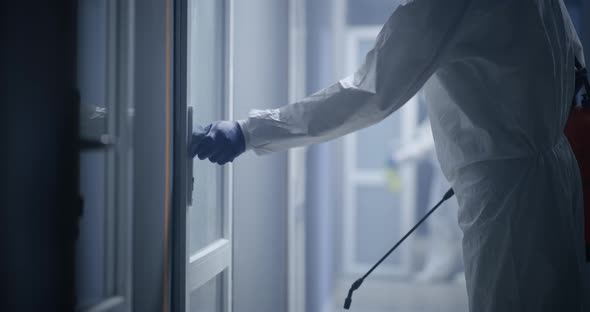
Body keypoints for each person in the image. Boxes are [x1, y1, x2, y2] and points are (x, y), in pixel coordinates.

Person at [189, 1, 589, 311]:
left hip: (510, 197)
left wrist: (249, 132)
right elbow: (575, 66)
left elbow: (369, 92)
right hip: (554, 171)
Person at [389, 119, 464, 283]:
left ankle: (469, 275)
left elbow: (425, 144)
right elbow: (421, 138)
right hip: (445, 176)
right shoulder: (434, 111)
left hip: (458, 177)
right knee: (440, 224)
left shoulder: (444, 106)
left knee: (461, 226)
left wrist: (397, 158)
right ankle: (439, 269)